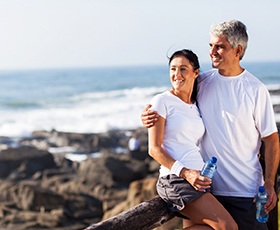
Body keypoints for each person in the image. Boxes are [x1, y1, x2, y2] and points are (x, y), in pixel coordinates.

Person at [142, 20, 279, 230]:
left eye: (219, 46)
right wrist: (147, 116)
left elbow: (271, 139)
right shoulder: (202, 82)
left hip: (247, 193)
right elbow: (176, 100)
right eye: (210, 45)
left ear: (238, 50)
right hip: (209, 188)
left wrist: (269, 184)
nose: (212, 52)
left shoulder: (255, 89)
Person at [148, 49, 237, 229]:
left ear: (196, 73)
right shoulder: (161, 101)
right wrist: (186, 173)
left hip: (199, 179)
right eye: (173, 69)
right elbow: (154, 149)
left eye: (183, 69)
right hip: (176, 179)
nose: (176, 75)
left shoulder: (195, 106)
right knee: (229, 227)